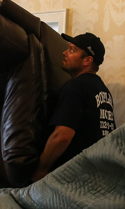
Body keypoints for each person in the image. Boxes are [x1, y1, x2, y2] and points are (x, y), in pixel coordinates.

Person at [32, 32, 115, 182]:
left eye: (72, 50)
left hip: (75, 177)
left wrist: (41, 169)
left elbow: (62, 136)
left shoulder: (76, 86)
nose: (64, 53)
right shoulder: (103, 91)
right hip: (98, 175)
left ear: (87, 60)